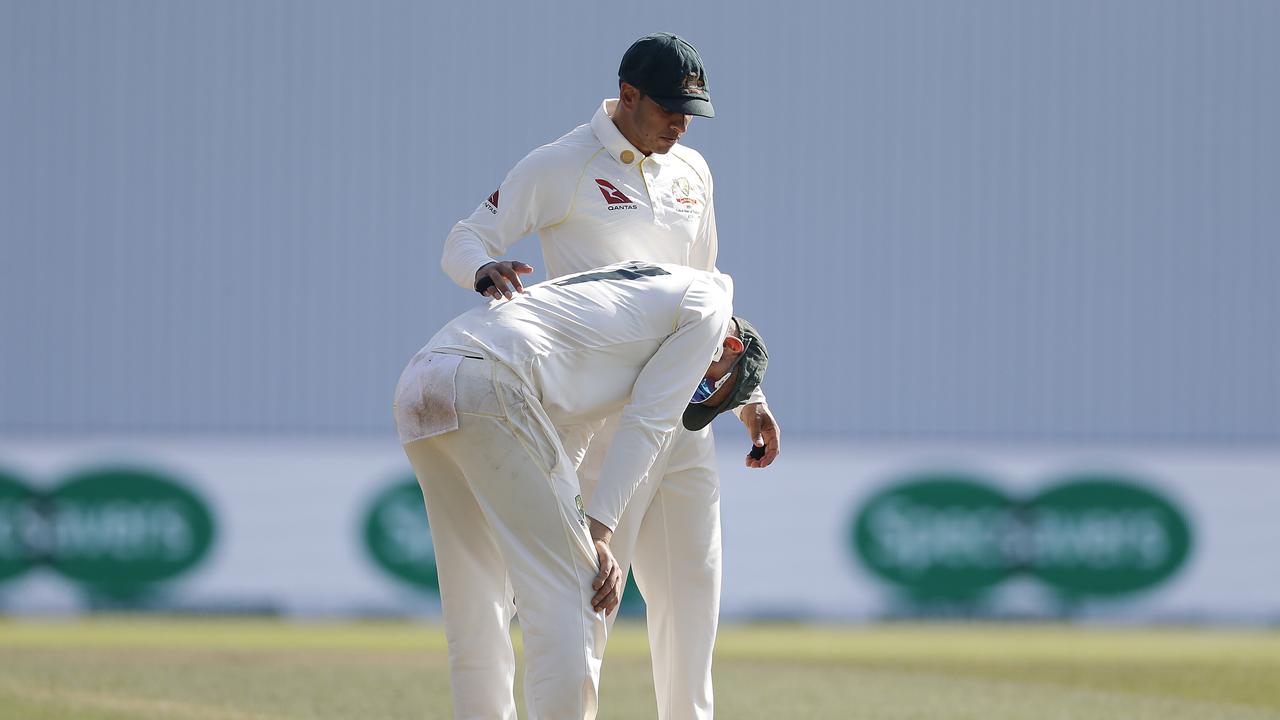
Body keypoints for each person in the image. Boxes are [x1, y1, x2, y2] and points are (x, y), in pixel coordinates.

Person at [440, 33, 780, 719]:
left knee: (692, 612)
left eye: (692, 111)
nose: (680, 124)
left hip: (681, 421)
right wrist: (484, 273)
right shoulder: (561, 164)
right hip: (598, 423)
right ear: (627, 96)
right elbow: (466, 237)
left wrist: (750, 399)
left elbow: (710, 293)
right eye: (668, 109)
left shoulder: (693, 172)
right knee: (587, 608)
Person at [393, 261, 768, 720]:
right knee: (576, 592)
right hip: (492, 381)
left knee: (477, 599)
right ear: (729, 346)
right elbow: (649, 423)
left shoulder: (640, 310)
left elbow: (574, 432)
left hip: (424, 378)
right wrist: (598, 534)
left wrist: (576, 527)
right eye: (706, 384)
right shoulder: (710, 307)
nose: (691, 389)